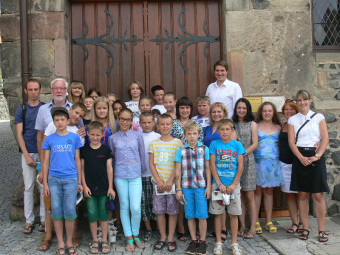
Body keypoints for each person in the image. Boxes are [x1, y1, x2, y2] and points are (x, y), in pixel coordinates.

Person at [35, 78, 73, 251]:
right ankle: (49, 237)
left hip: (69, 169)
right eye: (55, 88)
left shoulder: (72, 108)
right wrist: (42, 169)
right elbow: (40, 138)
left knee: (71, 206)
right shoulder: (43, 110)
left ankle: (71, 239)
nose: (59, 91)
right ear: (51, 90)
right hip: (52, 168)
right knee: (51, 205)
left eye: (62, 88)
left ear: (66, 90)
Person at [288, 90, 329, 242]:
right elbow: (291, 142)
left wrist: (316, 156)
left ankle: (322, 230)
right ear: (296, 102)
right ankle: (304, 227)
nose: (302, 103)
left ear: (310, 100)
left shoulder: (319, 117)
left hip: (316, 156)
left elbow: (325, 138)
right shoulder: (293, 120)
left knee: (318, 194)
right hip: (300, 156)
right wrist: (300, 157)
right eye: (299, 100)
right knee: (303, 194)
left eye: (305, 100)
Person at [42, 107, 83, 255]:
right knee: (57, 211)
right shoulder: (50, 139)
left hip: (70, 179)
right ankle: (60, 242)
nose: (60, 122)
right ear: (53, 122)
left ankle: (69, 241)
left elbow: (77, 160)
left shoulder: (74, 137)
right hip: (54, 179)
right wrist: (45, 183)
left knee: (70, 211)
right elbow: (46, 162)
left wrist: (79, 182)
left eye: (62, 120)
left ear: (67, 120)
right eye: (57, 120)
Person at [108, 108, 146, 251]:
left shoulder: (137, 136)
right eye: (122, 119)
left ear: (132, 121)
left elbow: (142, 154)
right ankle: (129, 236)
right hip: (120, 175)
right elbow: (112, 158)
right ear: (118, 119)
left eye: (128, 119)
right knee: (124, 205)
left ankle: (136, 234)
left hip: (135, 174)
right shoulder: (113, 138)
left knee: (135, 207)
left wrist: (141, 169)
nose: (125, 122)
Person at [209, 119, 245, 255]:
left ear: (232, 130)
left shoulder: (237, 145)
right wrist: (219, 184)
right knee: (218, 214)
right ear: (218, 131)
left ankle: (234, 243)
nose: (224, 132)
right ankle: (219, 242)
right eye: (222, 129)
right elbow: (212, 165)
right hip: (218, 185)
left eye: (227, 129)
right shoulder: (214, 144)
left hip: (233, 185)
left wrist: (234, 184)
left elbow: (240, 165)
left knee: (233, 214)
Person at [175, 121, 211, 255]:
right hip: (186, 187)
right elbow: (177, 170)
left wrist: (208, 187)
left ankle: (202, 241)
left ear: (199, 135)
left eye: (194, 133)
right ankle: (194, 240)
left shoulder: (204, 149)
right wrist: (178, 189)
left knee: (202, 215)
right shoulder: (181, 150)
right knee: (189, 215)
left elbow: (208, 168)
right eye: (189, 134)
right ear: (184, 135)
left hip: (201, 187)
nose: (191, 136)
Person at [170, 96, 204, 241]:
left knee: (195, 199)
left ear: (191, 109)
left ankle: (196, 232)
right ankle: (181, 229)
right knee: (181, 198)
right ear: (178, 109)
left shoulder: (196, 122)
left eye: (187, 107)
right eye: (182, 107)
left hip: (194, 164)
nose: (185, 110)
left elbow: (201, 141)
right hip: (178, 161)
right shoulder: (173, 123)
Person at [15, 79, 45, 234]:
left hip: (43, 153)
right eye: (30, 90)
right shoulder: (22, 109)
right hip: (28, 152)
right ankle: (29, 220)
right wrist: (27, 156)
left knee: (43, 186)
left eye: (36, 89)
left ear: (40, 90)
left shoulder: (45, 108)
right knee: (28, 187)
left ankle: (44, 219)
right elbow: (19, 134)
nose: (33, 92)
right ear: (26, 91)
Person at [149, 114, 182, 252]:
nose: (165, 127)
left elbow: (178, 164)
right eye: (162, 124)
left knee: (173, 211)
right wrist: (158, 180)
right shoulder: (154, 143)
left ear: (172, 126)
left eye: (168, 124)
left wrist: (170, 180)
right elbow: (151, 164)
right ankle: (162, 236)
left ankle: (171, 238)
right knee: (160, 211)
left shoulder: (177, 143)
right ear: (158, 126)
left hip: (172, 184)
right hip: (158, 184)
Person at [80, 121, 115, 254]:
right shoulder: (84, 150)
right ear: (88, 134)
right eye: (92, 135)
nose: (95, 137)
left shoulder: (106, 150)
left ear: (102, 135)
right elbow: (81, 169)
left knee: (104, 214)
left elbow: (109, 168)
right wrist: (84, 185)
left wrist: (110, 187)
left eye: (97, 135)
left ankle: (104, 239)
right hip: (89, 188)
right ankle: (95, 240)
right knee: (92, 214)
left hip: (104, 187)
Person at [254, 102, 284, 234]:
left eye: (270, 111)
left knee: (269, 192)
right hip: (258, 163)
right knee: (257, 191)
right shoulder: (255, 126)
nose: (267, 113)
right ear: (261, 112)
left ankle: (269, 220)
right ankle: (255, 220)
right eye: (265, 111)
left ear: (273, 113)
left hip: (273, 164)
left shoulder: (279, 127)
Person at [232, 98, 258, 239]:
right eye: (239, 108)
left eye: (244, 108)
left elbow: (255, 144)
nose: (241, 110)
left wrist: (243, 153)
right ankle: (242, 226)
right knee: (239, 195)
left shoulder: (252, 124)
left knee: (249, 195)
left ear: (247, 110)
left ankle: (252, 227)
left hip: (248, 160)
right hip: (235, 162)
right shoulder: (233, 124)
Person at [203, 102, 229, 241]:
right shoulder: (207, 128)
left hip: (222, 168)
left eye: (219, 112)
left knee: (221, 198)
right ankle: (215, 228)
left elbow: (232, 148)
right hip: (207, 166)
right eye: (214, 112)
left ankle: (223, 228)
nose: (216, 114)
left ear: (224, 113)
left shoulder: (228, 128)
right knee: (211, 196)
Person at [279, 100, 301, 234]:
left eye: (291, 109)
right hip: (284, 164)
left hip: (298, 163)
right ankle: (294, 222)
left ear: (297, 110)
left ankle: (303, 222)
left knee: (302, 195)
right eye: (286, 109)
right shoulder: (283, 125)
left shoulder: (300, 124)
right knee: (290, 195)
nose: (289, 112)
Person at [139, 112, 161, 242]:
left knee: (157, 203)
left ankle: (159, 226)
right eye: (144, 122)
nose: (147, 125)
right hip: (141, 175)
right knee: (144, 203)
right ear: (140, 123)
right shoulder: (137, 136)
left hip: (157, 176)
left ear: (154, 123)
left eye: (149, 122)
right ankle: (148, 228)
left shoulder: (158, 136)